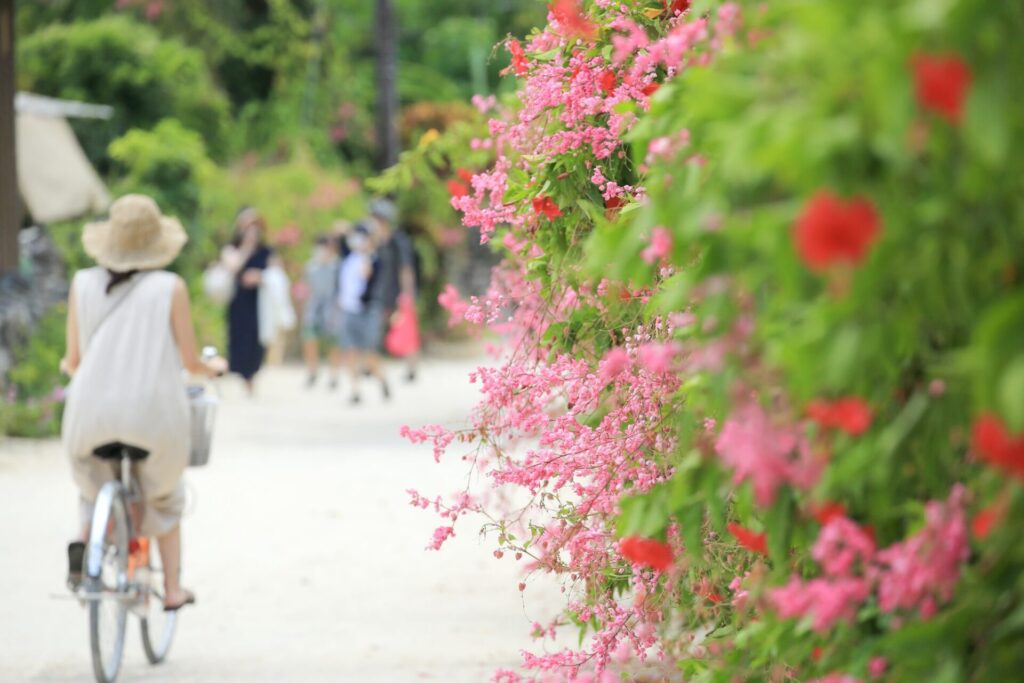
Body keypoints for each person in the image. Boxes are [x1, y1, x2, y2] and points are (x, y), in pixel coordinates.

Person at [61, 194, 225, 611]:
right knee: (164, 498)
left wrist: (71, 366)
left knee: (94, 486)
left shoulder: (81, 283)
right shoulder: (169, 287)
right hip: (151, 418)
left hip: (89, 415)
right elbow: (190, 362)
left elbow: (74, 360)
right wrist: (213, 366)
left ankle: (86, 544)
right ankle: (169, 589)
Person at [336, 224, 390, 404]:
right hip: (349, 309)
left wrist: (367, 256)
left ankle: (381, 378)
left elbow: (369, 278)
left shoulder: (375, 260)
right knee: (350, 351)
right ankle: (355, 390)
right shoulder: (349, 257)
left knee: (369, 353)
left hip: (366, 310)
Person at [366, 198, 419, 382]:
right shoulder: (377, 242)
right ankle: (371, 364)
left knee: (405, 327)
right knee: (375, 326)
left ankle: (411, 367)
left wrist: (407, 294)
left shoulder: (398, 240)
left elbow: (406, 268)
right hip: (381, 290)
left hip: (398, 290)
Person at [223, 207, 273, 395]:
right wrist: (246, 247)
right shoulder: (233, 248)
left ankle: (252, 376)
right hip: (239, 301)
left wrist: (260, 277)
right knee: (239, 337)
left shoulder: (266, 251)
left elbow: (276, 275)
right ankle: (241, 374)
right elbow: (232, 266)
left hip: (259, 302)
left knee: (256, 341)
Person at [301, 233, 342, 388]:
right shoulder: (311, 266)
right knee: (310, 339)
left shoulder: (337, 266)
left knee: (333, 342)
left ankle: (334, 374)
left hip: (332, 308)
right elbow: (305, 287)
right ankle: (312, 371)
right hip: (313, 307)